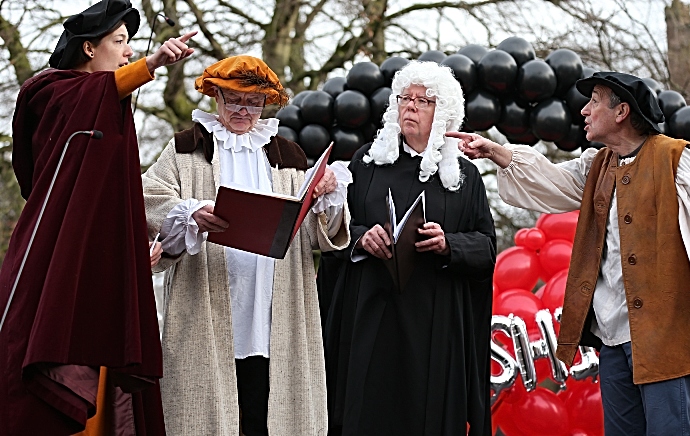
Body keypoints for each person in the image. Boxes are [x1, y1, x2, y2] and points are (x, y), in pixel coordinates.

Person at [448, 72, 690, 436]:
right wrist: (496, 151)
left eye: (594, 100)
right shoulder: (597, 166)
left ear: (622, 112)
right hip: (613, 339)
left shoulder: (674, 160)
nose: (584, 110)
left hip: (664, 337)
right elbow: (550, 180)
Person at [0, 0, 195, 434]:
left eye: (130, 43)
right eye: (119, 41)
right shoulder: (54, 93)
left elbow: (104, 208)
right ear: (89, 48)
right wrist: (153, 61)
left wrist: (126, 259)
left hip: (96, 270)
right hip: (48, 258)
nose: (127, 51)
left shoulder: (106, 106)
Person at [141, 55, 351, 436]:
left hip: (276, 310)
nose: (243, 110)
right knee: (207, 414)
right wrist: (190, 213)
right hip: (205, 306)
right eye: (234, 99)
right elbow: (147, 197)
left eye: (254, 102)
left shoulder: (288, 156)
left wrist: (326, 197)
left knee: (266, 412)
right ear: (216, 96)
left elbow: (319, 236)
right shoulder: (187, 149)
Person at [323, 61, 496, 436]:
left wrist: (449, 243)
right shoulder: (367, 163)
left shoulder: (465, 178)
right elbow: (338, 228)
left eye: (424, 101)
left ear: (444, 112)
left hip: (434, 319)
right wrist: (362, 237)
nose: (411, 107)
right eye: (406, 98)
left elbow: (486, 249)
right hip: (372, 314)